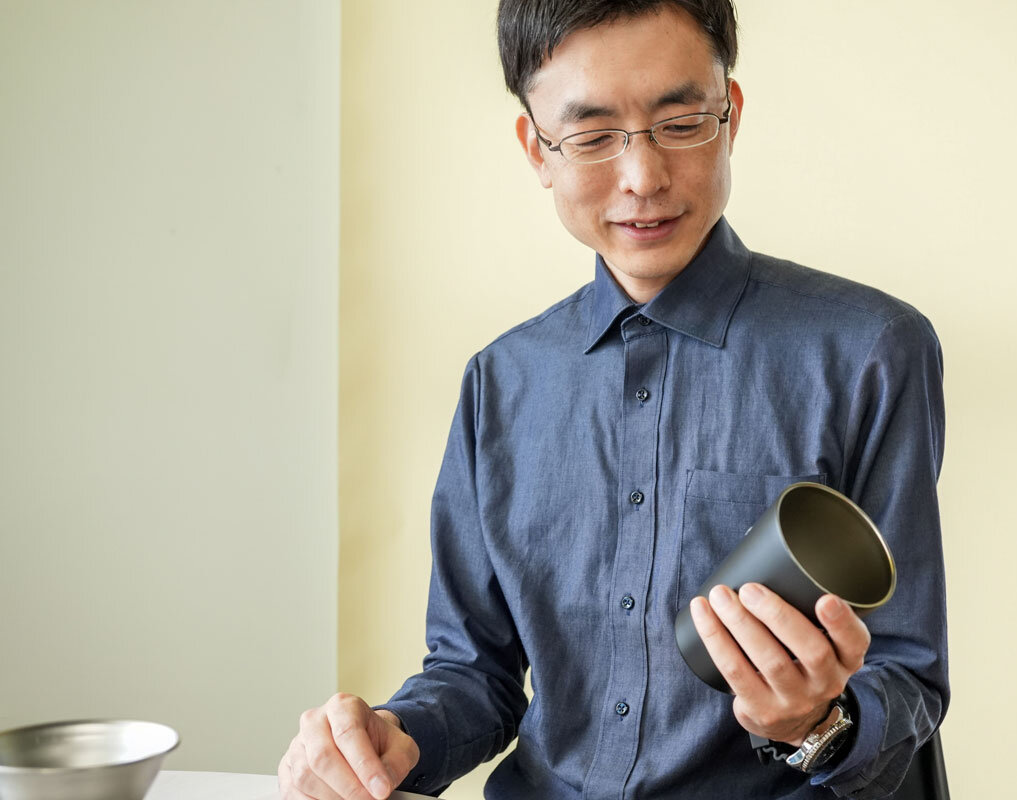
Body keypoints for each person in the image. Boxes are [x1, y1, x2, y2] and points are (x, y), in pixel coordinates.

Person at [278, 1, 948, 798]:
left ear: (730, 117)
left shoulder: (871, 351)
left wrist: (817, 725)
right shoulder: (500, 382)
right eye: (593, 137)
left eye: (681, 124)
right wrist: (393, 738)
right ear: (538, 149)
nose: (643, 178)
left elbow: (907, 675)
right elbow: (472, 673)